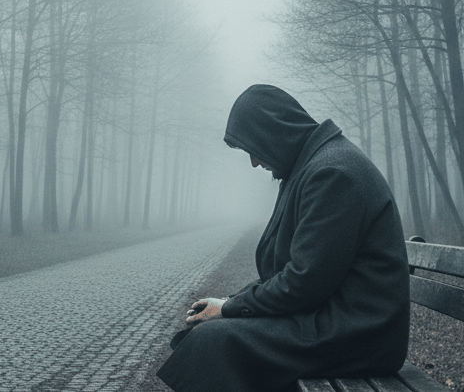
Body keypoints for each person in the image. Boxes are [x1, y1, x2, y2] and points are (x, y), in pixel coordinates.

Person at [156, 84, 410, 392]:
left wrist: (229, 308)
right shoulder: (314, 164)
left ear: (273, 133)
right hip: (336, 321)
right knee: (207, 336)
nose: (253, 162)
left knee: (214, 341)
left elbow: (304, 283)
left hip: (360, 334)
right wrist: (230, 303)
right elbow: (296, 274)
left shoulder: (332, 173)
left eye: (252, 148)